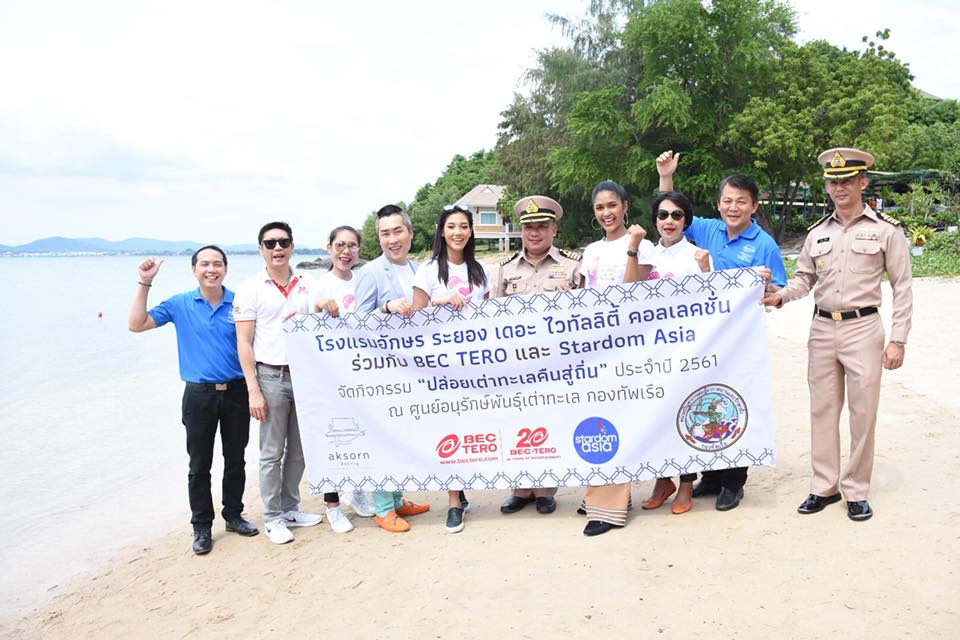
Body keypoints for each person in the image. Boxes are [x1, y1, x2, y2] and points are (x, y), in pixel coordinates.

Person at [761, 147, 912, 521]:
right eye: (833, 181)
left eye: (846, 180)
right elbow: (804, 279)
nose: (839, 187)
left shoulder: (885, 230)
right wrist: (779, 297)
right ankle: (823, 486)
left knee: (863, 413)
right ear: (826, 186)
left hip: (864, 328)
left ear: (863, 182)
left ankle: (856, 490)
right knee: (823, 410)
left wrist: (898, 339)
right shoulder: (817, 234)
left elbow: (903, 286)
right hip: (823, 327)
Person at [657, 150, 785, 511]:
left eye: (741, 202)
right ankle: (710, 475)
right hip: (702, 341)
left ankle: (733, 481)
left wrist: (767, 287)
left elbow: (779, 291)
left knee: (733, 401)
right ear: (718, 204)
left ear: (754, 206)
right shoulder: (708, 229)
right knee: (704, 401)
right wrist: (666, 176)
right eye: (727, 201)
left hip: (741, 342)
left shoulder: (764, 245)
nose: (733, 207)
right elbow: (671, 214)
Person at [128, 246, 258, 555]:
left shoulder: (239, 303)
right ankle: (201, 525)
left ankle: (233, 515)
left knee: (235, 459)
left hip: (237, 392)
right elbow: (136, 324)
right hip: (198, 395)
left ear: (225, 268)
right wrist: (145, 282)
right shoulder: (180, 303)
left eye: (217, 264)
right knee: (199, 464)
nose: (211, 269)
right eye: (204, 264)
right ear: (194, 269)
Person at [234, 222, 345, 544]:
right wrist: (253, 389)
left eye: (283, 242)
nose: (277, 248)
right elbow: (244, 342)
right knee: (271, 452)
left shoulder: (308, 282)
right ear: (261, 250)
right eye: (270, 244)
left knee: (299, 450)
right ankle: (272, 517)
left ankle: (289, 506)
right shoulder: (251, 287)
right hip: (271, 375)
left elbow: (325, 319)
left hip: (306, 375)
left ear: (292, 246)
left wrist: (326, 307)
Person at [493, 195, 584, 515]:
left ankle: (546, 489)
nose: (534, 232)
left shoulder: (572, 266)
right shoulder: (505, 271)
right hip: (516, 365)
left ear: (554, 230)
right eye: (528, 227)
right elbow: (492, 320)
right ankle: (521, 488)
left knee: (551, 423)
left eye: (542, 226)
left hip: (557, 364)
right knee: (518, 423)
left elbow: (589, 317)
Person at [580, 180, 656, 537]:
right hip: (594, 348)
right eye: (600, 208)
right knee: (597, 420)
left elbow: (633, 294)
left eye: (612, 205)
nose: (606, 213)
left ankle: (609, 506)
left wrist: (633, 249)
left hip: (628, 348)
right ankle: (603, 495)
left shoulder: (644, 245)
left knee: (618, 420)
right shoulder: (590, 250)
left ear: (625, 206)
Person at [412, 204, 490, 534]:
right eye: (451, 226)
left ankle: (468, 487)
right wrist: (438, 303)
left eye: (463, 226)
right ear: (442, 231)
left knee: (475, 427)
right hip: (442, 368)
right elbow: (414, 319)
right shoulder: (428, 271)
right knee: (450, 429)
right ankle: (454, 501)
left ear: (470, 231)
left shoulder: (480, 271)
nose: (457, 232)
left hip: (476, 364)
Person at [353, 205, 431, 533]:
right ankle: (384, 508)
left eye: (397, 231)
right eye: (385, 233)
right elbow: (356, 321)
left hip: (413, 371)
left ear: (410, 233)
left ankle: (398, 499)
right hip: (382, 372)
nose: (392, 239)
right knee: (384, 437)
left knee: (403, 436)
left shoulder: (419, 269)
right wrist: (385, 308)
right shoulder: (371, 272)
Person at [636, 191, 712, 515]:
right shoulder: (647, 255)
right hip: (652, 351)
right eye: (663, 215)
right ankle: (660, 479)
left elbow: (716, 303)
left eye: (677, 215)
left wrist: (707, 270)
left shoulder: (697, 256)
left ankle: (685, 483)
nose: (669, 221)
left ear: (687, 221)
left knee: (684, 415)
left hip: (687, 351)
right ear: (655, 220)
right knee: (655, 417)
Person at [310, 225, 377, 519]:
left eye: (352, 246)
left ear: (359, 250)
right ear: (328, 248)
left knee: (363, 433)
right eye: (339, 245)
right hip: (330, 373)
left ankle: (359, 490)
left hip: (362, 369)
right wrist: (318, 307)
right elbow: (305, 326)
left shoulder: (364, 281)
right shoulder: (319, 285)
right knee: (334, 436)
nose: (345, 251)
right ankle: (332, 503)